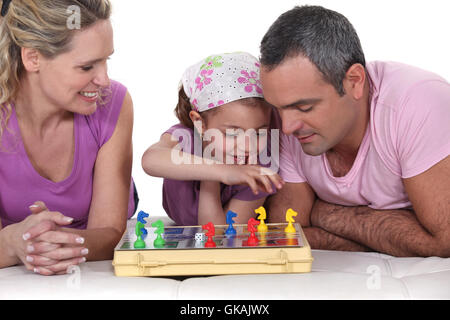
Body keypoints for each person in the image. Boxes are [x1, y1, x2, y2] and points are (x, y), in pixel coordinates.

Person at [260, 5, 450, 257]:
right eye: (278, 108)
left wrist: (323, 212)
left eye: (304, 107)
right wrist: (388, 236)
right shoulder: (288, 120)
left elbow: (443, 242)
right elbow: (287, 233)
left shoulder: (418, 101)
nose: (286, 127)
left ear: (354, 82)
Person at [0, 0, 137, 275]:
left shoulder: (113, 104)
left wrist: (57, 243)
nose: (104, 80)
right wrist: (12, 243)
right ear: (33, 58)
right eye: (87, 67)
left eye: (106, 60)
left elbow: (109, 232)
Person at [142, 52, 284, 225]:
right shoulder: (185, 137)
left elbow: (217, 233)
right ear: (200, 123)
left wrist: (211, 182)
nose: (248, 146)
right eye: (232, 133)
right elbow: (150, 160)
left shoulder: (260, 170)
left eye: (259, 133)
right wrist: (221, 171)